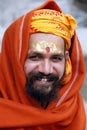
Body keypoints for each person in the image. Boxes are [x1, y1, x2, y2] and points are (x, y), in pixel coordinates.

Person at [0, 0, 86, 129]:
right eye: (35, 57)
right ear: (14, 59)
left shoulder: (74, 109)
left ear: (67, 60)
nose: (46, 70)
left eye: (56, 58)